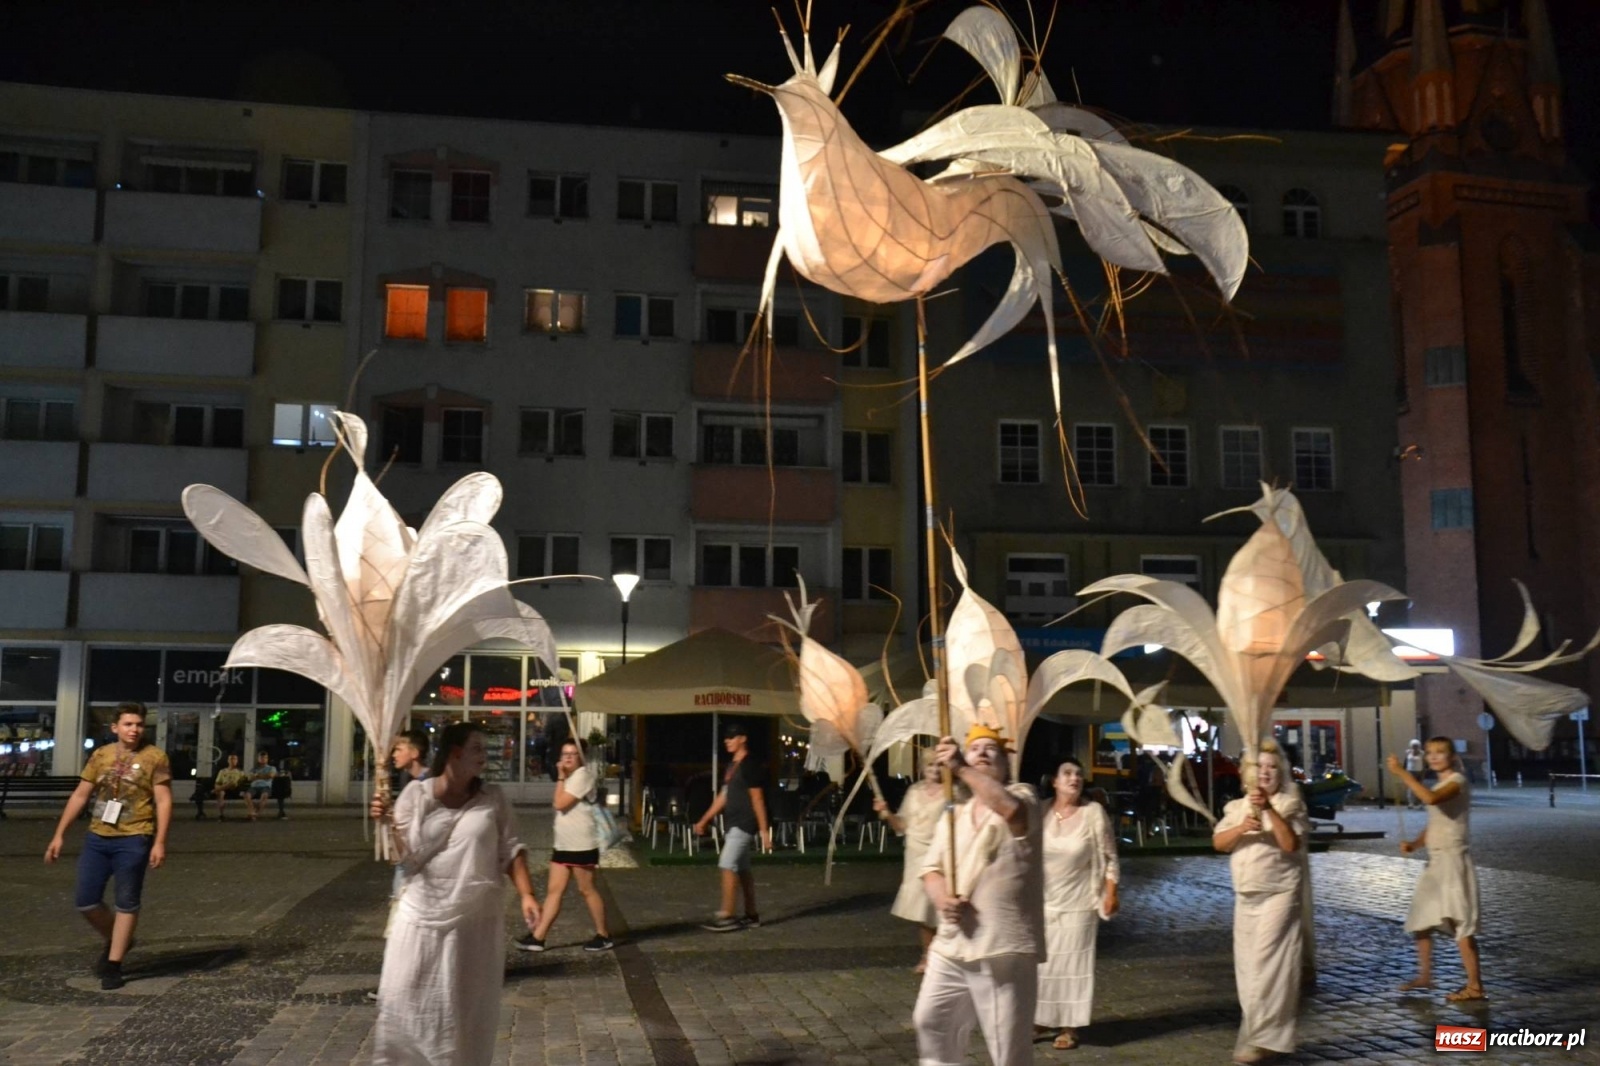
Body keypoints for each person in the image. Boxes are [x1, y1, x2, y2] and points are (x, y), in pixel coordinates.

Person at [370, 722, 541, 1066]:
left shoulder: (492, 798)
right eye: (477, 748)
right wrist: (387, 824)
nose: (484, 756)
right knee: (405, 1003)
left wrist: (526, 894)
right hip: (419, 920)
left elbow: (511, 849)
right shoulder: (415, 796)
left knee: (465, 1009)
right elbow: (402, 859)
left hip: (473, 921)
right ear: (455, 752)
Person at [913, 725, 1043, 1066]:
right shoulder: (953, 814)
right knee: (930, 1022)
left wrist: (961, 767)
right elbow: (930, 868)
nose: (982, 752)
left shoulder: (1023, 796)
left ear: (1005, 764)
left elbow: (1011, 813)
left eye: (991, 749)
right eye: (975, 748)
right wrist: (942, 900)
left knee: (1007, 1049)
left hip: (1003, 945)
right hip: (951, 944)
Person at [43, 702, 172, 990]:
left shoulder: (155, 757)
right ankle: (120, 939)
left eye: (138, 724)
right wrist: (59, 834)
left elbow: (163, 800)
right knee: (86, 900)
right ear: (115, 727)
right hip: (98, 837)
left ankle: (114, 964)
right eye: (128, 724)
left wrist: (159, 842)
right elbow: (80, 795)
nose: (134, 729)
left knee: (127, 900)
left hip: (135, 836)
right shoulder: (101, 756)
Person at [1212, 742, 1309, 1066]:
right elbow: (1219, 843)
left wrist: (1268, 809)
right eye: (1259, 767)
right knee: (1248, 971)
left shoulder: (1290, 803)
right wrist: (1242, 827)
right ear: (1247, 774)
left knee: (1266, 968)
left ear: (1280, 773)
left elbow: (1290, 842)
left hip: (1278, 894)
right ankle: (1267, 1037)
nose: (1265, 772)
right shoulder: (1236, 807)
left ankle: (1254, 1040)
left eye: (1272, 767)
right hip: (1246, 896)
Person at [1388, 737, 1484, 1003]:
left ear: (1452, 756)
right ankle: (1425, 975)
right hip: (1436, 861)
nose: (1433, 757)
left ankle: (1475, 985)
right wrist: (1416, 844)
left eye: (1440, 752)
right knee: (1421, 918)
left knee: (1460, 923)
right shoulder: (1442, 783)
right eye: (1430, 753)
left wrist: (1401, 773)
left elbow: (1430, 799)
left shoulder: (1457, 782)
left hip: (1453, 860)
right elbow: (1436, 822)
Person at [1035, 757, 1119, 1051]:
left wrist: (1111, 891)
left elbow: (1109, 855)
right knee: (1043, 965)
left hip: (1080, 901)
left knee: (1071, 964)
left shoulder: (1093, 812)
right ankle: (1042, 1018)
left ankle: (1069, 1026)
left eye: (1079, 775)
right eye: (1067, 773)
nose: (1074, 778)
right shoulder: (1041, 811)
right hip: (1044, 901)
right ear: (1055, 781)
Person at [518, 739, 614, 952]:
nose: (568, 758)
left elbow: (559, 803)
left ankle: (603, 934)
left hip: (581, 844)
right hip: (564, 844)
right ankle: (538, 937)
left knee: (586, 889)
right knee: (554, 890)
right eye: (564, 754)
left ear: (581, 757)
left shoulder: (582, 776)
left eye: (572, 754)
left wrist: (561, 776)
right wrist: (562, 777)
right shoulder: (571, 778)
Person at [874, 754, 949, 973]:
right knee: (922, 907)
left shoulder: (954, 792)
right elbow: (902, 825)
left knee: (941, 906)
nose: (934, 769)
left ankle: (943, 955)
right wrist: (886, 813)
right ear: (921, 767)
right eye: (930, 764)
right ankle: (927, 954)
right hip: (915, 854)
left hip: (940, 854)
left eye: (939, 765)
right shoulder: (913, 791)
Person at [694, 720, 772, 931]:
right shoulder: (732, 766)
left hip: (744, 823)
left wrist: (764, 831)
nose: (727, 741)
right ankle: (751, 914)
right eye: (726, 737)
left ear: (743, 739)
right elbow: (724, 796)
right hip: (732, 823)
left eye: (732, 737)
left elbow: (758, 799)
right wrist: (704, 819)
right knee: (743, 869)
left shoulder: (750, 765)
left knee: (727, 864)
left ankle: (727, 914)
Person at [211, 753, 249, 821]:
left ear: (237, 761)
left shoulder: (240, 772)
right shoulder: (222, 771)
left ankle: (250, 814)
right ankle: (221, 815)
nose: (233, 761)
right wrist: (219, 787)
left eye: (235, 759)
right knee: (221, 793)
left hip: (236, 789)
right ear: (228, 760)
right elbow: (217, 783)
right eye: (231, 759)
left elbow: (244, 782)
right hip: (225, 789)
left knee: (233, 783)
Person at [246, 751, 276, 821]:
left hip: (265, 786)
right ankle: (252, 812)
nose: (263, 759)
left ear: (267, 759)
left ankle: (256, 813)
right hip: (254, 787)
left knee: (265, 795)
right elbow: (250, 778)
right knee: (247, 795)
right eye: (261, 758)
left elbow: (270, 776)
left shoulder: (271, 768)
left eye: (265, 758)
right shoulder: (254, 769)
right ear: (258, 759)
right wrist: (264, 776)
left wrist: (257, 776)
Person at [1403, 740, 1426, 809]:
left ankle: (1421, 803)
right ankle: (1411, 803)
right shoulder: (1408, 753)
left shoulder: (1422, 753)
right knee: (1411, 788)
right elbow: (1406, 762)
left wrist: (1424, 772)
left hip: (1420, 771)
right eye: (1413, 746)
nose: (1415, 747)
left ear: (1419, 746)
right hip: (1410, 771)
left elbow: (1424, 763)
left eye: (1416, 746)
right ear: (1411, 746)